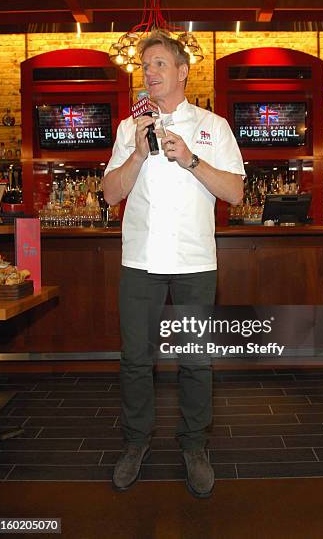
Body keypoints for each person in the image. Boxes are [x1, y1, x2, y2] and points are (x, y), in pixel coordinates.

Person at [103, 30, 245, 498]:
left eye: (159, 64)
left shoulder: (213, 125)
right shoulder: (129, 129)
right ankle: (136, 442)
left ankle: (194, 446)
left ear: (183, 72)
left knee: (195, 360)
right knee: (135, 361)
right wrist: (141, 154)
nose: (150, 73)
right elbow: (110, 193)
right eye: (145, 67)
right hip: (140, 259)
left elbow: (235, 192)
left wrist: (191, 159)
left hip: (194, 261)